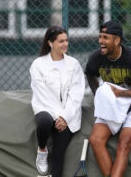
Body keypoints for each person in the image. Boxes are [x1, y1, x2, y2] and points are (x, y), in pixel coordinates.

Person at [85, 20, 131, 177]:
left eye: (105, 38)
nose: (101, 42)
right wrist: (100, 97)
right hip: (113, 103)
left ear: (117, 40)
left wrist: (122, 93)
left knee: (123, 143)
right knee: (96, 140)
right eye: (100, 37)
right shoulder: (95, 58)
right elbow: (90, 75)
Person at [29, 26, 85, 177]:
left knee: (59, 152)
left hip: (68, 117)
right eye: (61, 41)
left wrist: (65, 117)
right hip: (46, 109)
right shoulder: (38, 65)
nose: (65, 44)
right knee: (44, 122)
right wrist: (57, 117)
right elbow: (43, 95)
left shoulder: (74, 64)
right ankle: (41, 151)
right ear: (50, 43)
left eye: (66, 40)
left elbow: (77, 94)